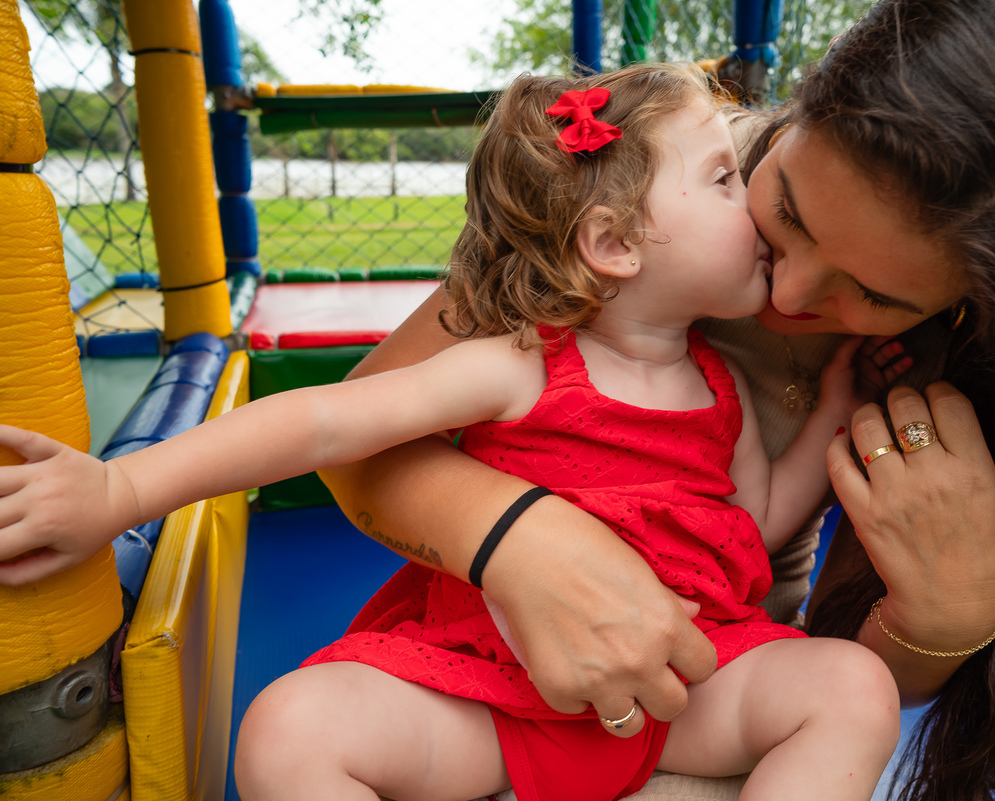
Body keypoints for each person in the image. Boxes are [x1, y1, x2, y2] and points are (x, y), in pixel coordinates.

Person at [301, 2, 995, 801]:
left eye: (873, 295)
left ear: (973, 307)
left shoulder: (956, 374)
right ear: (801, 109)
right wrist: (517, 538)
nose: (790, 291)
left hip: (702, 687)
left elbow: (850, 681)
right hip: (486, 665)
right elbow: (351, 442)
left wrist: (943, 618)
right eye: (790, 211)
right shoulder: (638, 176)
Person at [0, 64, 908, 801]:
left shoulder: (719, 389)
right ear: (615, 243)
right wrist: (121, 489)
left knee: (853, 687)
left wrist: (835, 407)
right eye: (721, 180)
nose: (747, 206)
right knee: (288, 730)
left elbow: (752, 523)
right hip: (497, 696)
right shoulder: (522, 362)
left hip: (682, 685)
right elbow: (325, 421)